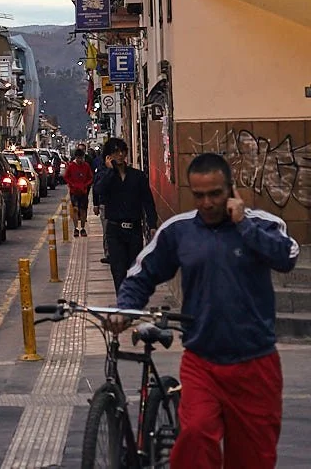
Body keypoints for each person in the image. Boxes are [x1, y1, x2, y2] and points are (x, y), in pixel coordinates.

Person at [115, 153, 299, 468]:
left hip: (255, 365)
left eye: (215, 193)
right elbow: (142, 274)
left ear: (231, 189)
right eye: (199, 195)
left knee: (254, 457)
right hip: (202, 363)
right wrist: (125, 309)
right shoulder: (179, 231)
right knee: (195, 437)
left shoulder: (262, 224)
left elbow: (286, 257)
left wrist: (244, 225)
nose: (207, 203)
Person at [93, 137, 158, 290]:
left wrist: (152, 224)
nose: (120, 155)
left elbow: (147, 201)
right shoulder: (105, 176)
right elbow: (99, 190)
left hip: (134, 229)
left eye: (122, 151)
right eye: (116, 152)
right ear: (108, 156)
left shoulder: (137, 176)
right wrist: (110, 171)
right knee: (118, 271)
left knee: (134, 270)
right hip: (114, 230)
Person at [64, 147, 95, 237]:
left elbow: (91, 177)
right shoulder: (71, 166)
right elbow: (66, 177)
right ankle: (76, 228)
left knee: (83, 210)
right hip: (74, 192)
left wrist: (86, 185)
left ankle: (83, 228)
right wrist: (72, 184)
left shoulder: (86, 166)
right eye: (78, 158)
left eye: (81, 158)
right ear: (76, 157)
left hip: (83, 192)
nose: (80, 160)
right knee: (75, 209)